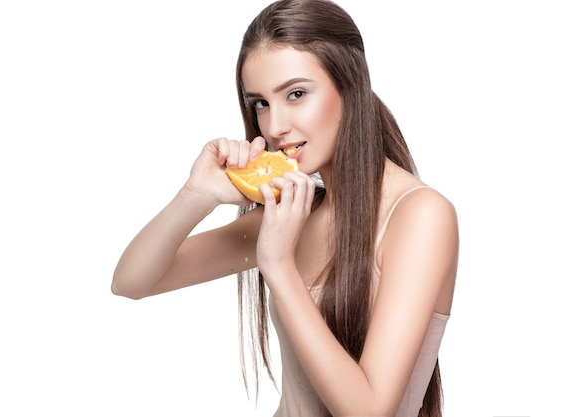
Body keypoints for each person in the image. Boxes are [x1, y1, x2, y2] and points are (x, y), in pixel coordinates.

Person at [111, 0, 459, 416]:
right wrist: (197, 195)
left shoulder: (420, 215)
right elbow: (132, 281)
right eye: (260, 103)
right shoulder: (295, 211)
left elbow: (370, 410)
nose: (274, 127)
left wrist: (277, 264)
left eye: (296, 94)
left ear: (351, 85)